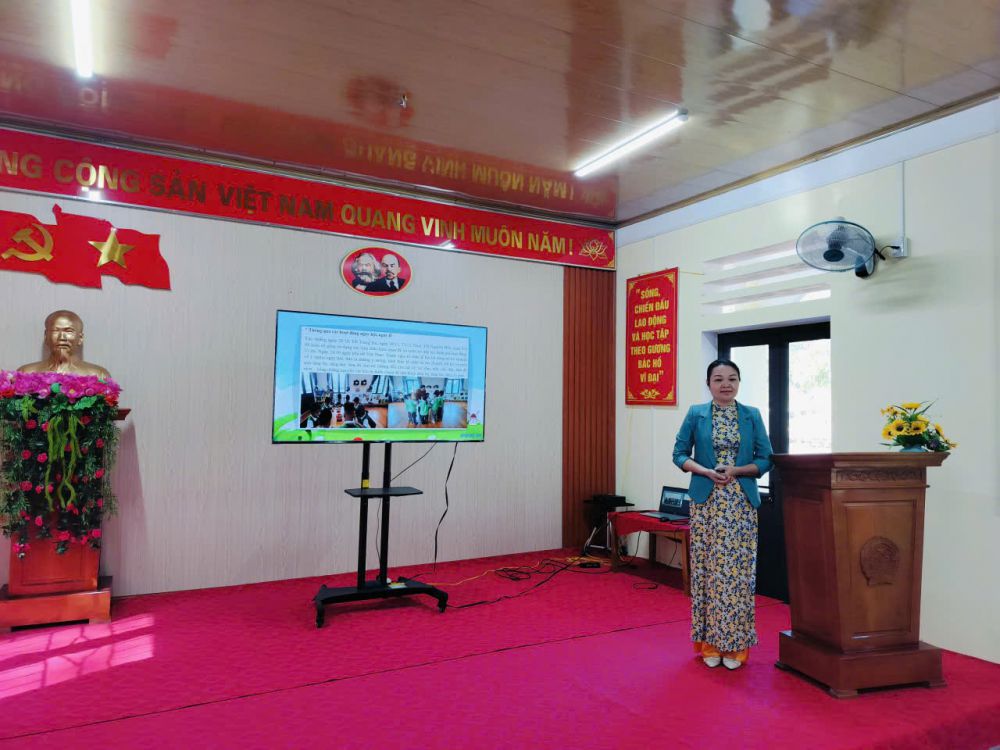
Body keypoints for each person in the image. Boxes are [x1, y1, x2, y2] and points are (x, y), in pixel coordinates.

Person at [672, 358, 773, 671]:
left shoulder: (752, 415)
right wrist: (705, 471)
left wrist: (737, 470)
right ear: (709, 384)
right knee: (708, 573)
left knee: (737, 575)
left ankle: (736, 647)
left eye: (732, 378)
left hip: (741, 504)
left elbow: (766, 459)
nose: (725, 384)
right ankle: (710, 644)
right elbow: (679, 454)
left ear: (739, 383)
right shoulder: (696, 413)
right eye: (718, 379)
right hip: (706, 503)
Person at [18, 310, 112, 378]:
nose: (62, 337)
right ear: (46, 336)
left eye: (69, 331)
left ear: (80, 338)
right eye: (55, 331)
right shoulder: (25, 373)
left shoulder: (98, 375)